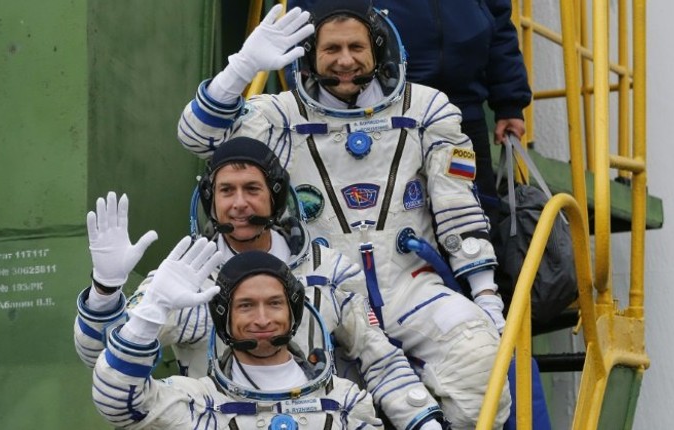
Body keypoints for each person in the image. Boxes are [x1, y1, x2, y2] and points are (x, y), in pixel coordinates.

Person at [176, 1, 511, 428]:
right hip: (318, 291)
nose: (346, 61)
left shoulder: (426, 110)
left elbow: (458, 207)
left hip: (410, 285)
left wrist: (485, 297)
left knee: (478, 359)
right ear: (311, 56)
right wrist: (241, 68)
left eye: (357, 47)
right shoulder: (280, 117)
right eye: (332, 49)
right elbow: (198, 136)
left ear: (378, 50)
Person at [74, 137, 446, 429]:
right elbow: (102, 360)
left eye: (252, 189)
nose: (239, 203)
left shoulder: (327, 272)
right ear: (210, 199)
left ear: (276, 195)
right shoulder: (184, 282)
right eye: (226, 191)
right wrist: (105, 291)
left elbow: (379, 358)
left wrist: (423, 420)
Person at [92, 240, 385, 428]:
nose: (262, 319)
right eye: (246, 306)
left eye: (274, 303)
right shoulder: (198, 403)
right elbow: (118, 403)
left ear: (293, 311)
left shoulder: (345, 401)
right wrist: (151, 312)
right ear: (223, 318)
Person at [287, 0, 532, 221]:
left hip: (464, 111)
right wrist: (311, 101)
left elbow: (499, 22)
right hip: (386, 113)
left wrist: (509, 101)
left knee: (477, 215)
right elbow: (304, 25)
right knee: (388, 219)